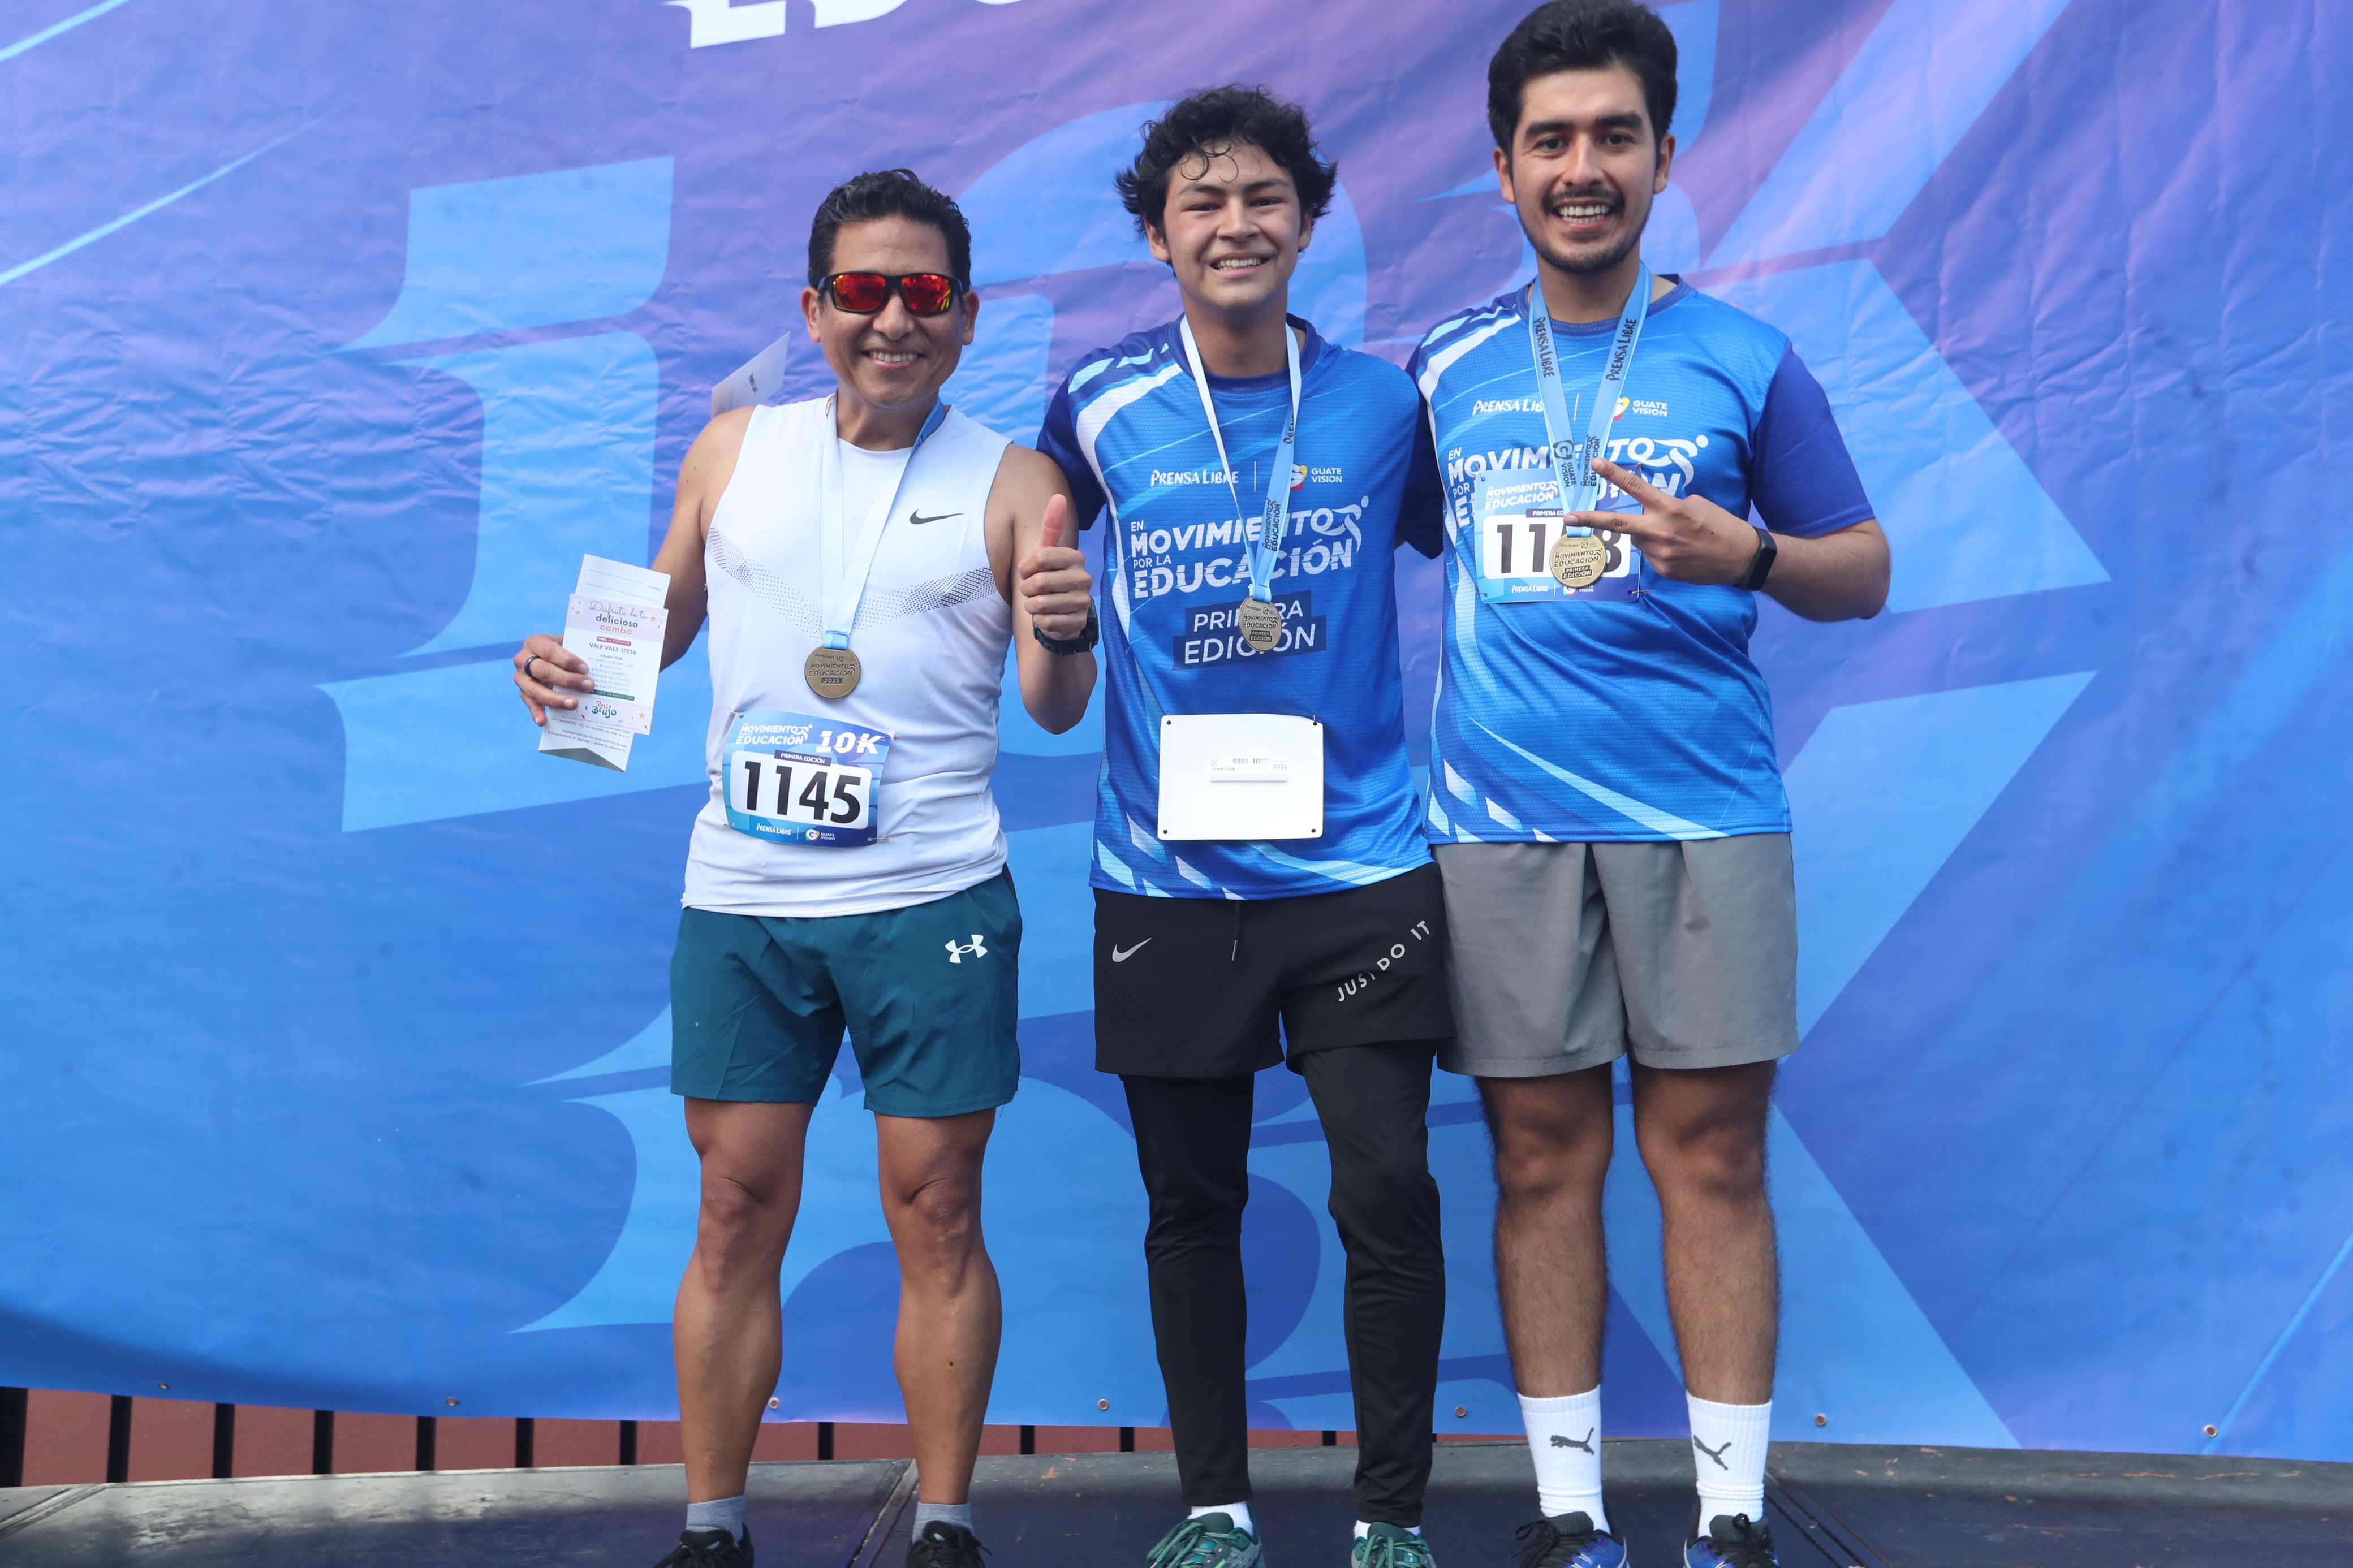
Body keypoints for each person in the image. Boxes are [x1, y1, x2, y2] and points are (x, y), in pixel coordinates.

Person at [513, 168, 1097, 1568]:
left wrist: (1067, 631)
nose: (891, 318)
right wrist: (564, 670)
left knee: (939, 1207)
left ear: (966, 319)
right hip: (748, 900)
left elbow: (1054, 705)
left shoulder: (1020, 483)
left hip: (932, 894)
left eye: (922, 292)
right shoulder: (731, 451)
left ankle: (946, 1524)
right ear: (814, 308)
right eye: (861, 291)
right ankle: (714, 1527)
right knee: (731, 1204)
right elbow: (650, 632)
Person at [1407, 5, 1891, 1567]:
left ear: (1667, 157)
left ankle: (1732, 1517)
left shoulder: (1748, 356)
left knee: (1716, 1156)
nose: (1584, 167)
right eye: (1551, 140)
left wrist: (1742, 550)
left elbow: (1862, 570)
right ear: (1503, 170)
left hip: (1704, 816)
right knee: (1539, 1159)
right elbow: (1350, 544)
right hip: (1500, 827)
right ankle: (1566, 1512)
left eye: (1615, 135)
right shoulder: (1446, 369)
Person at [1033, 87, 1453, 1568]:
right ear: (1158, 234)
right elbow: (1028, 503)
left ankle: (1391, 1508)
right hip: (1168, 875)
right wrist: (1039, 569)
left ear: (1308, 220)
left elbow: (1489, 552)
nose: (1236, 224)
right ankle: (1216, 1501)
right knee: (1190, 1197)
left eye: (1264, 197)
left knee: (1387, 1185)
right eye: (1203, 202)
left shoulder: (1389, 405)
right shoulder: (1099, 403)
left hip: (1361, 867)